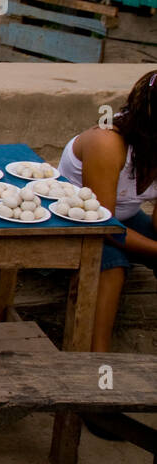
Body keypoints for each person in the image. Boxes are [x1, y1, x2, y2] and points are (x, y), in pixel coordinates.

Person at [58, 70, 157, 356]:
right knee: (112, 265)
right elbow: (106, 226)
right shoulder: (107, 142)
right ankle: (97, 358)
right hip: (77, 223)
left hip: (123, 218)